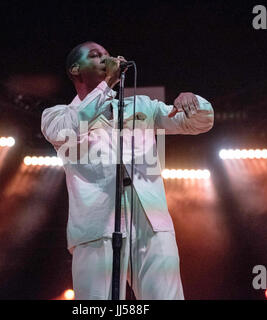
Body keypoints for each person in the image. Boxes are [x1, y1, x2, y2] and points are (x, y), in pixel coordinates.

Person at [41, 41, 214, 300]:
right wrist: (106, 85)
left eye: (107, 55)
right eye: (96, 55)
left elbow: (198, 124)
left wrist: (194, 103)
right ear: (75, 69)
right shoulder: (57, 115)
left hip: (151, 223)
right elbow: (71, 129)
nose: (106, 58)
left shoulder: (141, 106)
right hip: (96, 228)